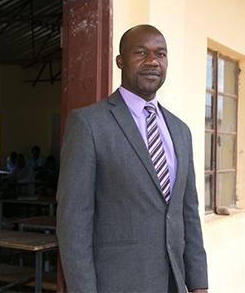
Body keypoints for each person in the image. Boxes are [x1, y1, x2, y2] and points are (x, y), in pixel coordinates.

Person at [57, 24, 208, 293]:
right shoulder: (89, 124)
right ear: (120, 61)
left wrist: (198, 283)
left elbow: (188, 213)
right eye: (141, 52)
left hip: (173, 283)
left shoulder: (180, 131)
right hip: (115, 284)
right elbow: (73, 221)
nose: (152, 61)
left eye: (160, 54)